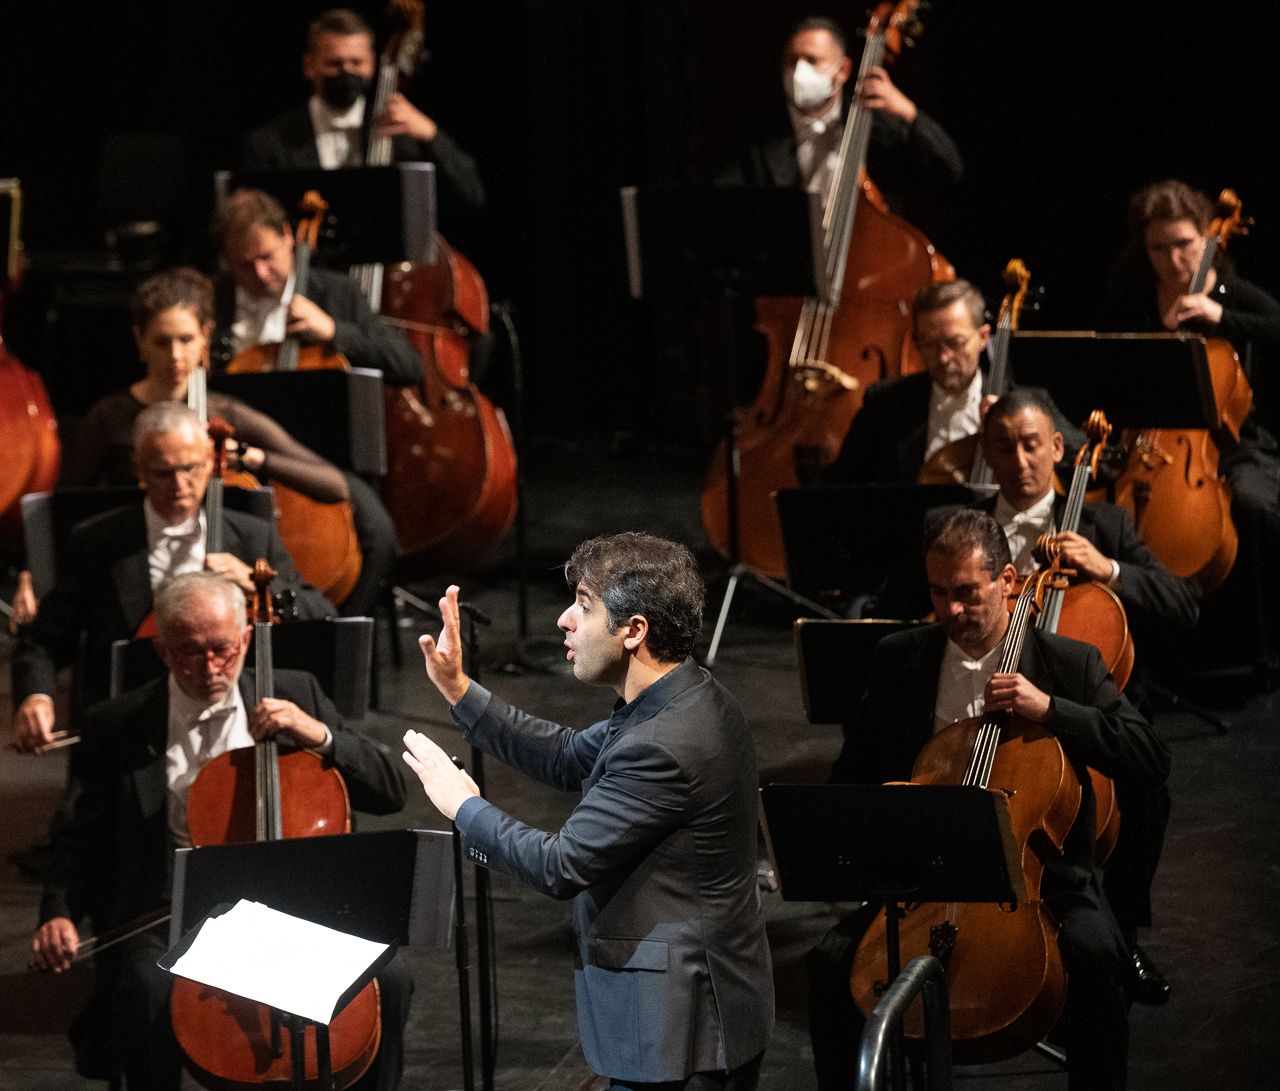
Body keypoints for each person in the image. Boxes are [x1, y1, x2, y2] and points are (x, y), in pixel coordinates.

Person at [811, 509, 1169, 1091]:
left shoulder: (1067, 663)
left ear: (1006, 581)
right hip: (922, 882)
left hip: (1041, 882)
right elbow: (853, 772)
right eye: (937, 593)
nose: (951, 610)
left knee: (1099, 964)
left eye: (966, 592)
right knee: (831, 966)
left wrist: (1051, 709)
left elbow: (1150, 757)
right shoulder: (900, 657)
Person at [401, 533, 774, 1089]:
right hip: (695, 1012)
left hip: (679, 1031)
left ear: (633, 630)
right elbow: (567, 754)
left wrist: (464, 806)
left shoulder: (664, 743)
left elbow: (560, 866)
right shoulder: (685, 694)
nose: (563, 620)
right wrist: (458, 688)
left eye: (583, 605)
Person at [30, 572, 409, 1090]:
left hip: (298, 912)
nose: (210, 667)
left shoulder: (295, 692)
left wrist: (320, 735)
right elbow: (80, 833)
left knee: (391, 982)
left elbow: (390, 792)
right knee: (144, 990)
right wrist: (58, 913)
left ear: (246, 639)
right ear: (162, 650)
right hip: (174, 913)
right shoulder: (118, 723)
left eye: (222, 650)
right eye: (190, 652)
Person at [59, 266, 396, 619]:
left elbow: (334, 485)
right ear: (139, 340)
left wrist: (252, 457)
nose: (175, 355)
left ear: (206, 336)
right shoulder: (108, 417)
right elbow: (66, 505)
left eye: (186, 339)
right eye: (161, 341)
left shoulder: (225, 413)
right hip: (135, 579)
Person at [10, 401, 333, 753]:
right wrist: (36, 695)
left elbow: (319, 610)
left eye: (190, 468)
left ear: (209, 462)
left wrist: (260, 588)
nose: (180, 484)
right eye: (163, 473)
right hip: (130, 732)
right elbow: (44, 639)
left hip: (236, 726)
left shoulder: (252, 537)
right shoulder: (98, 542)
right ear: (139, 469)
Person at [1101, 178, 1280, 680]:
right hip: (1151, 444)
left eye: (1184, 244)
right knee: (1107, 511)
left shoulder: (1231, 293)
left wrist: (1222, 316)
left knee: (1253, 503)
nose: (1173, 260)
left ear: (1208, 238)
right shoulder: (1135, 294)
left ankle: (1261, 651)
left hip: (1232, 444)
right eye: (1159, 248)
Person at [241, 7, 484, 220]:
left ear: (373, 63)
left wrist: (431, 135)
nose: (346, 71)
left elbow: (471, 195)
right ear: (309, 66)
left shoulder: (401, 131)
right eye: (334, 64)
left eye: (356, 63)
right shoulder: (268, 144)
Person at [719, 15, 962, 227]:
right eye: (792, 60)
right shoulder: (763, 138)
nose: (798, 71)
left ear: (843, 70)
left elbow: (949, 168)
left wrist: (909, 112)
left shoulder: (878, 124)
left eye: (812, 60)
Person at [208, 186, 423, 385]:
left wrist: (332, 330)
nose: (261, 273)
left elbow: (408, 365)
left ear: (287, 235)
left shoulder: (337, 292)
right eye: (245, 265)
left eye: (267, 256)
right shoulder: (211, 298)